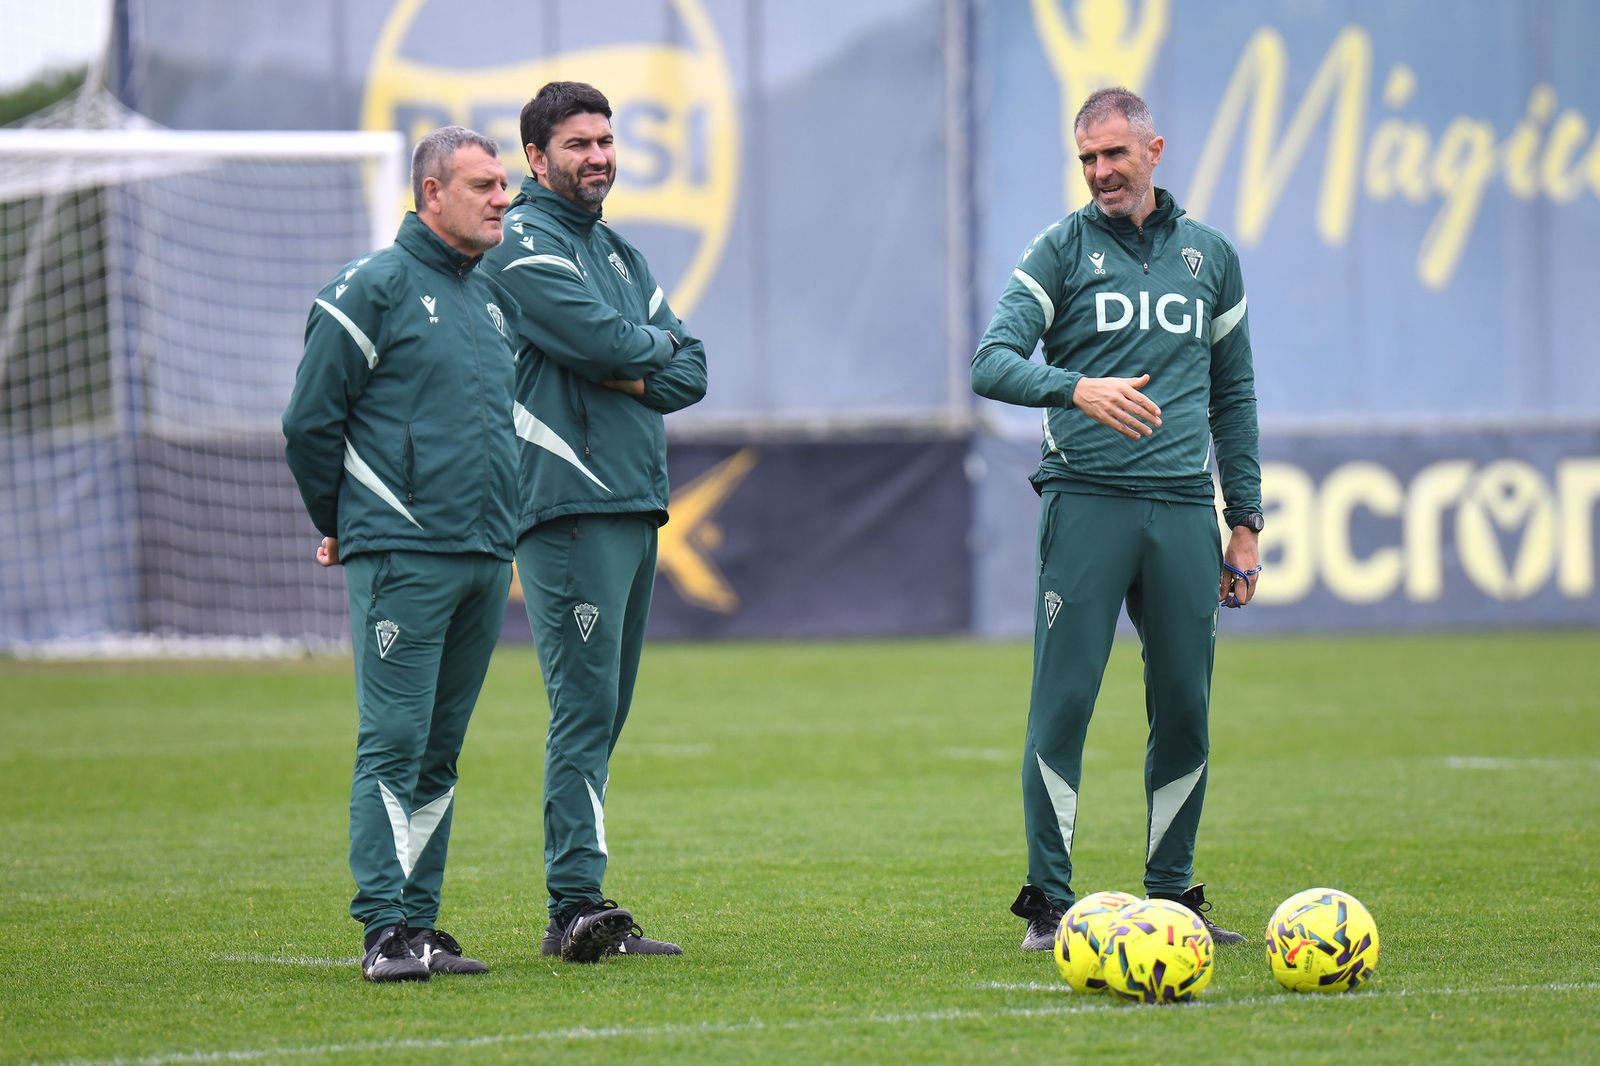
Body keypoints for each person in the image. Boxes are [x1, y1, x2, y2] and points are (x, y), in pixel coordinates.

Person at [970, 87, 1262, 951]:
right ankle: (1048, 905)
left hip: (1181, 513)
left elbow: (1234, 396)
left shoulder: (1212, 259)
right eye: (1087, 159)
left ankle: (1172, 897)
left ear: (1154, 150)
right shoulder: (1059, 251)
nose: (1100, 172)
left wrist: (1243, 520)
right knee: (1063, 704)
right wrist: (1075, 386)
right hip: (1086, 503)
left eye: (1114, 155)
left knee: (1185, 708)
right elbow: (990, 362)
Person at [282, 126, 519, 982]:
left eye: (504, 184)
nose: (504, 197)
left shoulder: (491, 299)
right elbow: (309, 423)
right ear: (431, 194)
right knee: (392, 742)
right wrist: (342, 519)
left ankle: (421, 923)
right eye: (485, 184)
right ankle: (383, 928)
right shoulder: (370, 287)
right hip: (404, 555)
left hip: (488, 553)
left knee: (440, 750)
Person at [483, 81, 708, 962]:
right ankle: (575, 906)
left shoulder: (618, 253)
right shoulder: (522, 240)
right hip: (567, 501)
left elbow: (691, 374)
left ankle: (581, 900)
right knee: (582, 709)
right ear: (536, 159)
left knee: (603, 712)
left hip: (630, 498)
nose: (599, 157)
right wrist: (629, 351)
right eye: (578, 144)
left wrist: (626, 354)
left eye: (607, 141)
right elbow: (622, 347)